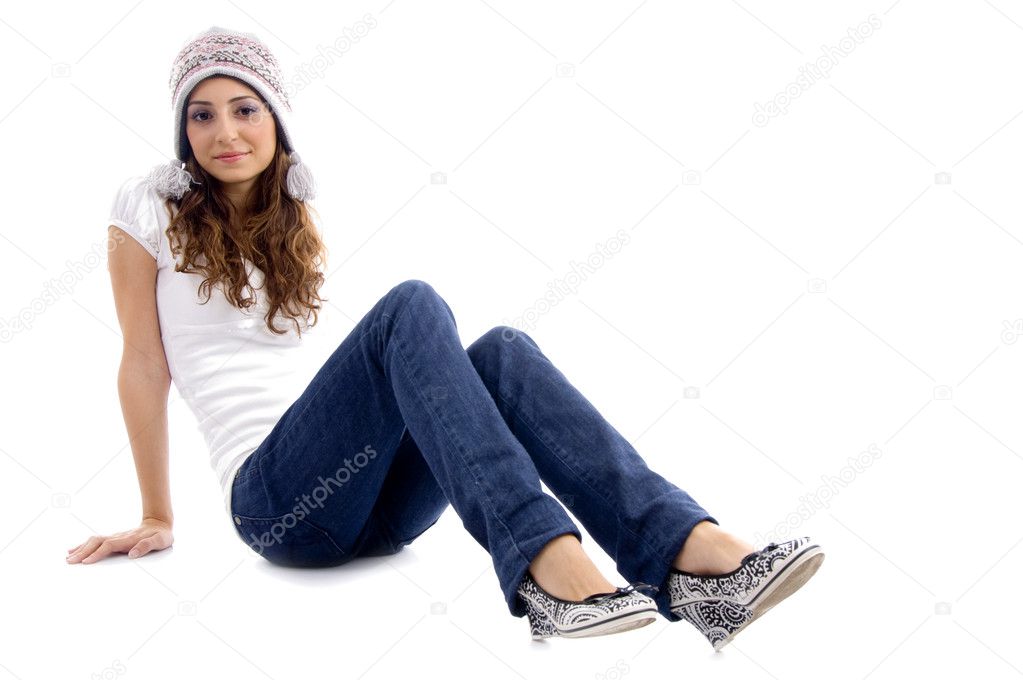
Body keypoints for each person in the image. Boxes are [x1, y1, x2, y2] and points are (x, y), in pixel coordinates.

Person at [67, 26, 824, 650]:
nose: (224, 131)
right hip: (276, 506)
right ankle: (542, 564)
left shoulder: (293, 224)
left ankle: (690, 562)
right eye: (201, 114)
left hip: (376, 508)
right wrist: (159, 515)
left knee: (499, 352)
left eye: (244, 108)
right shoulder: (146, 206)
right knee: (411, 306)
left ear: (277, 121)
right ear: (181, 130)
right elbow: (140, 361)